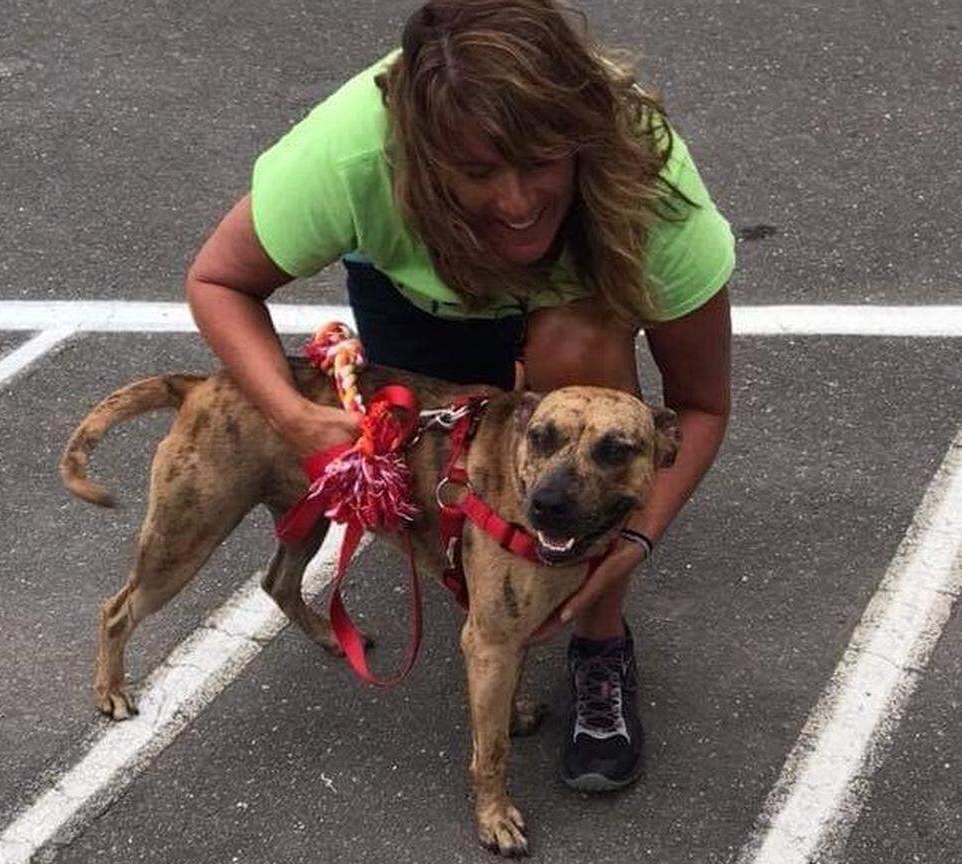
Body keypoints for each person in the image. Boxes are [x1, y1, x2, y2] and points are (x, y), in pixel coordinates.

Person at [185, 0, 733, 792]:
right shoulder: (349, 157)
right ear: (418, 157)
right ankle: (492, 610)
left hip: (575, 292)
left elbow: (700, 405)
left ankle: (598, 642)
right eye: (477, 172)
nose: (514, 202)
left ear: (582, 139)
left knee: (578, 357)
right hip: (419, 289)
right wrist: (295, 414)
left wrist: (630, 545)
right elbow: (218, 280)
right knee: (431, 485)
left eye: (539, 163)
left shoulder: (651, 185)